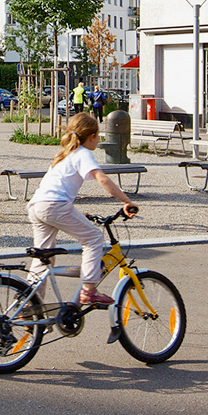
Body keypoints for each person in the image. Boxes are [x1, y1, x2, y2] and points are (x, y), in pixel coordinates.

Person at [28, 112, 138, 306]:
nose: (98, 140)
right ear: (91, 137)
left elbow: (57, 189)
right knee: (94, 238)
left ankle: (29, 306)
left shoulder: (64, 154)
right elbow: (102, 179)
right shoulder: (83, 153)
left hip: (38, 206)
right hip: (54, 206)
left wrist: (76, 212)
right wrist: (126, 201)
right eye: (98, 136)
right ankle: (89, 291)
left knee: (43, 258)